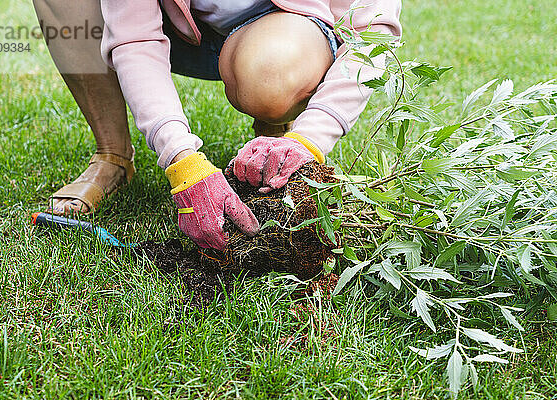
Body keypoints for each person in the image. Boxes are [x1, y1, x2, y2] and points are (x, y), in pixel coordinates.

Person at [33, 0, 401, 250]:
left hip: (286, 31)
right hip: (180, 33)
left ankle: (278, 132)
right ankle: (112, 154)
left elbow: (374, 29)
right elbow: (135, 38)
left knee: (269, 77)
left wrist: (311, 138)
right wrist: (181, 158)